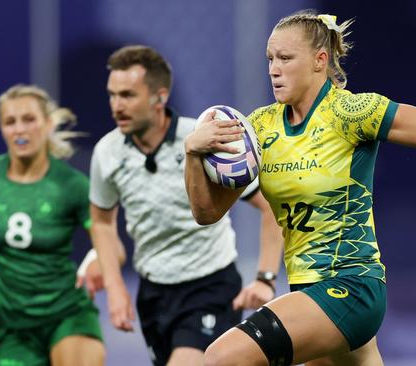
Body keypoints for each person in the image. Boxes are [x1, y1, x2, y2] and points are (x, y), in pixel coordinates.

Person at [183, 10, 416, 366]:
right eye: (270, 59)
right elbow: (207, 212)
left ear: (320, 61)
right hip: (307, 294)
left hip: (351, 287)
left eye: (286, 58)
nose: (274, 69)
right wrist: (193, 154)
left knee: (220, 358)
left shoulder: (351, 112)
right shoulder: (259, 127)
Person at [81, 45, 283, 366]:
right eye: (112, 95)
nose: (116, 106)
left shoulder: (204, 137)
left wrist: (266, 277)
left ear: (159, 97)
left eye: (128, 95)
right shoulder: (107, 152)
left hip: (209, 286)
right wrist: (116, 287)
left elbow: (271, 206)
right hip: (153, 293)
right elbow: (102, 222)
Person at [0, 84, 105, 366]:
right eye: (10, 122)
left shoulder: (71, 185)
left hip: (67, 314)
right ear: (1, 129)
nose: (20, 129)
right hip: (12, 328)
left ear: (47, 123)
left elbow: (109, 244)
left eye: (29, 119)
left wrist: (98, 260)